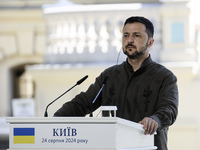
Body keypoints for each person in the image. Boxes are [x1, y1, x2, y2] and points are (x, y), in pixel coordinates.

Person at [54, 16, 179, 150]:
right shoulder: (109, 76)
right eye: (126, 35)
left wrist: (154, 120)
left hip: (147, 146)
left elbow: (169, 110)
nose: (129, 40)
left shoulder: (165, 77)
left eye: (136, 35)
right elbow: (83, 103)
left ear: (150, 42)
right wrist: (52, 121)